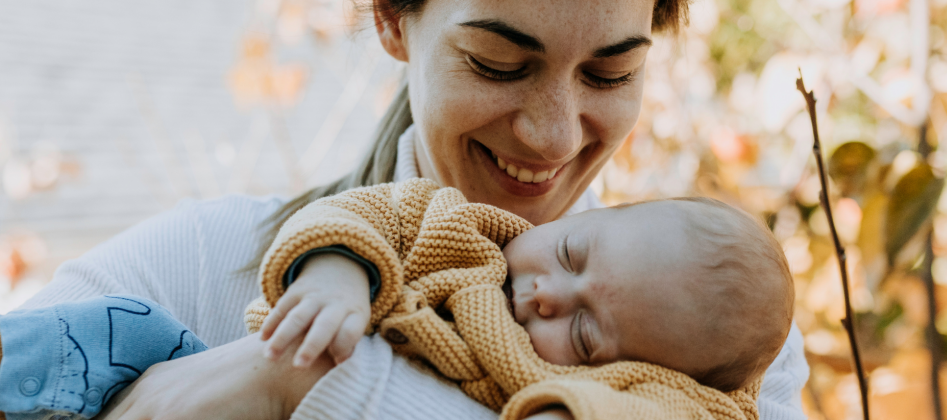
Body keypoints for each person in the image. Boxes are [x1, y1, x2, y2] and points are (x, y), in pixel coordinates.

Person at [1, 0, 808, 419]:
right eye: (498, 63)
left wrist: (298, 386)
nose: (554, 133)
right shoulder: (207, 260)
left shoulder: (721, 334)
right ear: (392, 20)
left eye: (609, 75)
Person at [0, 178, 792, 419]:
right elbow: (367, 216)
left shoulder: (672, 384)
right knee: (115, 332)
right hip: (158, 362)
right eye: (572, 254)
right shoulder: (468, 228)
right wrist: (338, 275)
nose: (548, 294)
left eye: (586, 333)